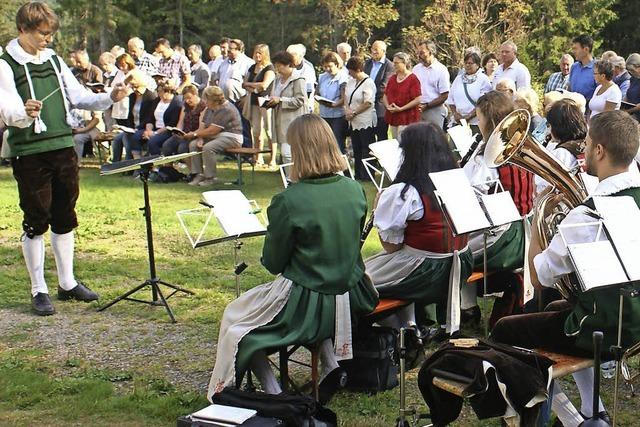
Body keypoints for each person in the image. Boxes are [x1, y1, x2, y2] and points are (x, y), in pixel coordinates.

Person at [207, 114, 378, 402]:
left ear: (298, 151)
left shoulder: (289, 200)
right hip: (350, 295)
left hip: (306, 303)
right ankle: (330, 364)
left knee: (239, 325)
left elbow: (273, 263)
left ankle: (274, 392)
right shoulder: (355, 190)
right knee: (311, 294)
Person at [491, 110, 640, 426]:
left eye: (587, 143)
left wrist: (535, 219)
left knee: (505, 329)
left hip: (612, 327)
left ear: (599, 151)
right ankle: (593, 410)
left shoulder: (586, 216)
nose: (584, 149)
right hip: (633, 313)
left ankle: (569, 419)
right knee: (563, 306)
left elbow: (539, 276)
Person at [0, 2, 128, 315]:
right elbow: (7, 108)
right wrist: (24, 112)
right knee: (36, 219)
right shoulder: (5, 64)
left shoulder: (54, 59)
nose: (48, 40)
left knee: (64, 214)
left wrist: (110, 97)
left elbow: (79, 96)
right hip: (30, 152)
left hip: (62, 147)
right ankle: (38, 289)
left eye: (50, 34)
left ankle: (67, 283)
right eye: (43, 34)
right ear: (24, 30)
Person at [365, 122, 472, 334]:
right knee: (379, 268)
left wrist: (378, 210)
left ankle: (400, 329)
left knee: (360, 284)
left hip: (427, 271)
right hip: (461, 262)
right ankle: (411, 326)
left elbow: (391, 248)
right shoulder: (458, 182)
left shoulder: (406, 192)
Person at [462, 91, 534, 327]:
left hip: (502, 237)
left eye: (479, 118)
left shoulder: (487, 159)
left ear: (491, 121)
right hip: (527, 232)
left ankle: (466, 309)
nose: (477, 123)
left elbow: (472, 199)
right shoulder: (522, 145)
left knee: (453, 254)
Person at [188, 86, 243, 186]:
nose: (205, 101)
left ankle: (211, 178)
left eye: (206, 99)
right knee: (193, 144)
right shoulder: (209, 108)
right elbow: (203, 126)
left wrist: (195, 134)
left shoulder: (226, 109)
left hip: (231, 137)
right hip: (216, 136)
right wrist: (200, 137)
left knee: (209, 147)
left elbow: (213, 130)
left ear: (213, 99)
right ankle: (198, 175)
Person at [534, 99, 587, 194]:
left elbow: (543, 186)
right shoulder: (586, 143)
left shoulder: (561, 153)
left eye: (550, 126)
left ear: (557, 127)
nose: (549, 131)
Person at [268, 51, 307, 167]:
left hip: (294, 121)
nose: (277, 68)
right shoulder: (277, 80)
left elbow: (300, 100)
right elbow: (275, 96)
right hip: (279, 120)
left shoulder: (298, 79)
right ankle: (291, 178)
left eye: (279, 65)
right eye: (276, 65)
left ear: (289, 64)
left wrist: (280, 100)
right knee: (285, 153)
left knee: (287, 153)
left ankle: (292, 179)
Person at [111, 69, 157, 161]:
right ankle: (115, 165)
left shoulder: (150, 96)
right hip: (133, 128)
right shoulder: (132, 96)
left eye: (136, 86)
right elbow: (130, 116)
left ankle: (130, 164)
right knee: (116, 139)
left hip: (144, 128)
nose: (134, 89)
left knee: (126, 138)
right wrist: (128, 128)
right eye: (132, 87)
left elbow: (150, 117)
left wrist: (138, 128)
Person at [242, 44, 275, 166]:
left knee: (270, 131)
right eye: (256, 52)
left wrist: (251, 84)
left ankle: (272, 159)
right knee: (256, 131)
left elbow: (265, 85)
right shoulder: (252, 67)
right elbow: (244, 84)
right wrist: (253, 87)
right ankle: (258, 157)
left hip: (266, 102)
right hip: (254, 102)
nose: (257, 55)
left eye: (260, 53)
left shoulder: (269, 68)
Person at [344, 56, 377, 180]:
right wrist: (347, 110)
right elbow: (347, 97)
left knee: (366, 147)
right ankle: (358, 174)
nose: (349, 73)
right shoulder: (351, 81)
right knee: (356, 147)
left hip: (365, 119)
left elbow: (368, 102)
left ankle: (368, 175)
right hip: (353, 121)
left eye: (351, 71)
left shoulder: (368, 82)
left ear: (357, 69)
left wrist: (354, 113)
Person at [151, 84, 206, 157]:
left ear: (196, 95)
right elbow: (181, 122)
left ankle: (187, 165)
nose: (187, 101)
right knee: (166, 146)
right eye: (185, 98)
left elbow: (201, 127)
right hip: (184, 133)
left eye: (189, 98)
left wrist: (191, 134)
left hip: (195, 134)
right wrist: (178, 131)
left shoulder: (203, 107)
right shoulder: (185, 106)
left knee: (182, 148)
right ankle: (168, 167)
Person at [446, 51, 492, 136]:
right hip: (458, 122)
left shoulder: (483, 79)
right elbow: (450, 99)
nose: (467, 65)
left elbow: (484, 102)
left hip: (476, 123)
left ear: (477, 65)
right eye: (466, 63)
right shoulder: (458, 79)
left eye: (470, 63)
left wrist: (468, 117)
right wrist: (456, 114)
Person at [383, 52, 422, 139]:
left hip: (407, 118)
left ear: (404, 63)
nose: (394, 65)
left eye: (397, 63)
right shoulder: (393, 78)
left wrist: (401, 108)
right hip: (393, 116)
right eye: (394, 63)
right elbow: (385, 94)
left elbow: (418, 99)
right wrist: (388, 106)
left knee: (404, 143)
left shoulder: (413, 79)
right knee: (395, 142)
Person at [413, 40, 450, 128]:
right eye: (418, 53)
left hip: (434, 110)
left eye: (422, 53)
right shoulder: (416, 69)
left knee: (433, 139)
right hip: (417, 109)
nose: (419, 55)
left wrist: (427, 105)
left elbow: (444, 95)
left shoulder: (441, 70)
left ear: (431, 52)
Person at [317, 52, 348, 153]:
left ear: (337, 64)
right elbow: (317, 92)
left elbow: (344, 98)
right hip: (324, 114)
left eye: (329, 66)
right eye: (325, 67)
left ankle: (343, 168)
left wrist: (335, 104)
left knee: (337, 143)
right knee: (325, 143)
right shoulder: (322, 77)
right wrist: (318, 98)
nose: (327, 69)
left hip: (338, 115)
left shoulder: (343, 77)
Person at [143, 79, 183, 156]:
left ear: (168, 91)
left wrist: (155, 133)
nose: (159, 94)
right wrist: (148, 131)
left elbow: (172, 124)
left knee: (153, 141)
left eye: (161, 91)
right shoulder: (156, 101)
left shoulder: (176, 104)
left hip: (167, 131)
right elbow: (150, 118)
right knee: (134, 137)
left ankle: (157, 162)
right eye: (158, 91)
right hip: (154, 128)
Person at [364, 40, 394, 141]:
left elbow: (384, 86)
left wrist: (368, 96)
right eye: (372, 49)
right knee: (368, 137)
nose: (373, 52)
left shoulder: (389, 65)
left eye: (376, 50)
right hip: (366, 106)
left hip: (380, 106)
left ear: (383, 51)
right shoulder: (368, 63)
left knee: (381, 137)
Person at [569, 35, 597, 105]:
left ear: (586, 49)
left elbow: (600, 95)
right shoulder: (574, 67)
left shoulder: (598, 68)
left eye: (575, 49)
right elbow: (569, 89)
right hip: (571, 110)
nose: (573, 51)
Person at [625, 53, 640, 121]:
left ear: (638, 66)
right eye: (629, 71)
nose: (631, 73)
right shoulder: (633, 79)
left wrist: (627, 112)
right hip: (629, 113)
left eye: (632, 70)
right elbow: (628, 94)